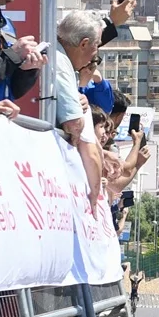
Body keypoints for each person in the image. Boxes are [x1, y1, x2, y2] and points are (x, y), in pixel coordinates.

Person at [49, 11, 108, 213]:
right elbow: (75, 126)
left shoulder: (59, 57)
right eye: (97, 46)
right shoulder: (60, 62)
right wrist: (95, 195)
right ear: (83, 44)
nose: (96, 54)